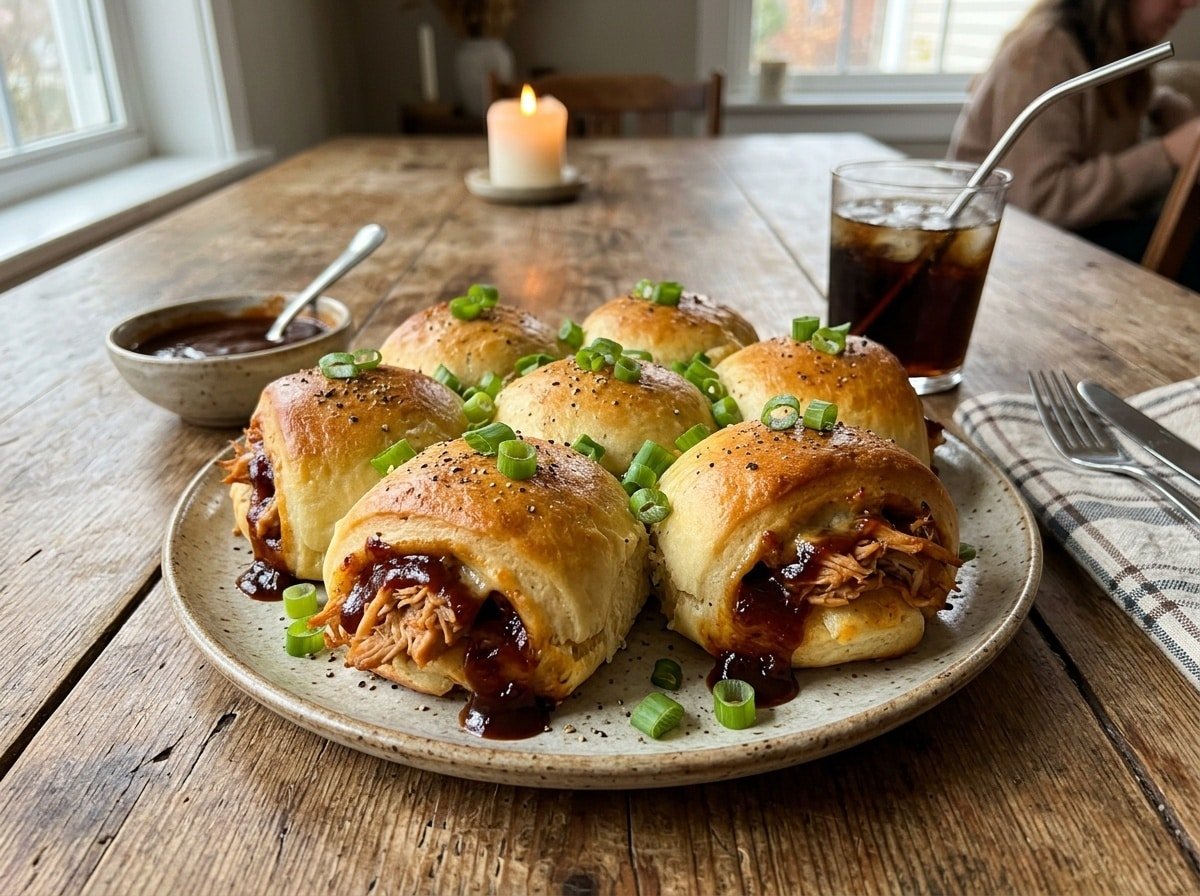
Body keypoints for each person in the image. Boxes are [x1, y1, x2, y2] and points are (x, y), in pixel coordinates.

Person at [949, 0, 1200, 289]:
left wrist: (1166, 105)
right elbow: (1038, 200)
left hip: (1073, 238)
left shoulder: (1113, 48)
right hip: (1012, 251)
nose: (1190, 3)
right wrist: (1167, 152)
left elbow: (1093, 115)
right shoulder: (1044, 50)